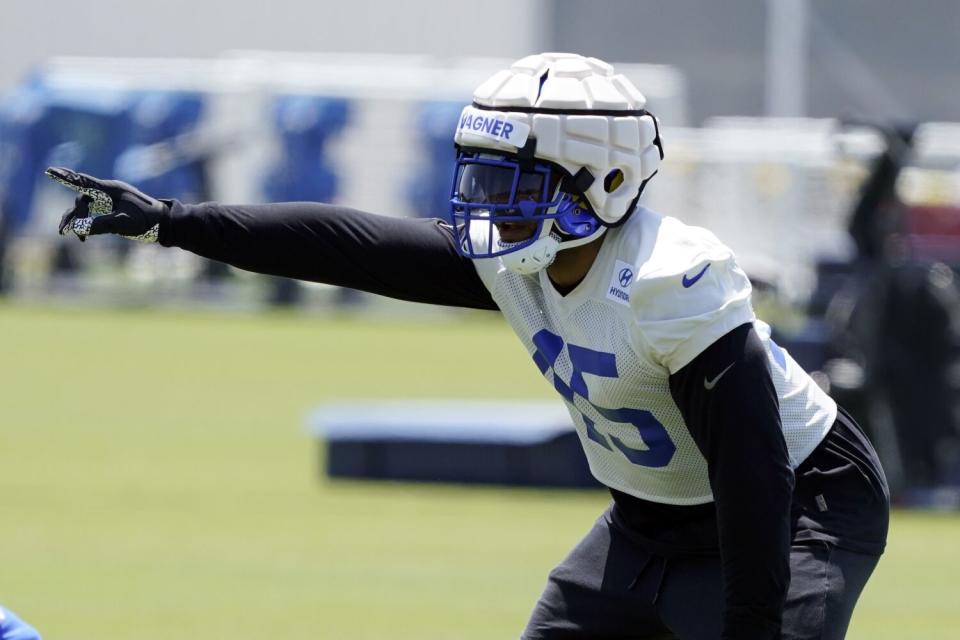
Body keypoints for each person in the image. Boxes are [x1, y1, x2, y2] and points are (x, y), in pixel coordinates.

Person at [48, 53, 889, 640]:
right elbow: (351, 245)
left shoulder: (672, 284)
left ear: (602, 180)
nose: (485, 202)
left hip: (796, 511)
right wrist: (172, 221)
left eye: (510, 181)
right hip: (649, 517)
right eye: (479, 175)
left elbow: (752, 475)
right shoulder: (523, 260)